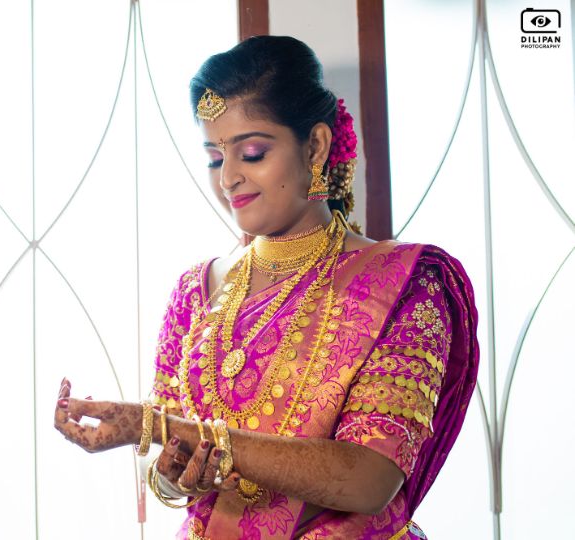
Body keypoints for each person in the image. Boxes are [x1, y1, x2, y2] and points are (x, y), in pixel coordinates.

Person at [54, 35, 479, 539]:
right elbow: (171, 458)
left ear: (315, 146)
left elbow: (371, 479)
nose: (228, 178)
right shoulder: (195, 291)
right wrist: (173, 476)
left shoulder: (404, 282)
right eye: (215, 158)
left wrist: (157, 427)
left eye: (252, 153)